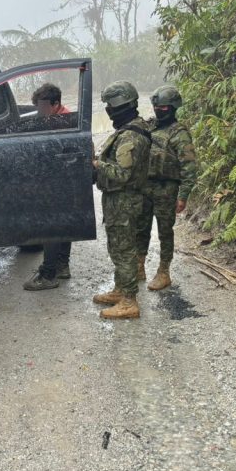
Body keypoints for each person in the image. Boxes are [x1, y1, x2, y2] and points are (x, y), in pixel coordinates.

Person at [92, 80, 151, 319]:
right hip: (119, 200)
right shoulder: (128, 130)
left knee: (124, 250)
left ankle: (129, 301)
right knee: (118, 248)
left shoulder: (130, 136)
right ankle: (121, 290)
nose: (108, 110)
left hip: (124, 200)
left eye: (110, 106)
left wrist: (96, 164)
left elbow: (123, 174)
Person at [137, 84, 198, 291]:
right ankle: (139, 266)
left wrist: (183, 196)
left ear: (172, 108)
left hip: (166, 188)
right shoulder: (150, 127)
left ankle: (164, 272)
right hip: (145, 186)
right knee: (141, 228)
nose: (158, 111)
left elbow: (189, 166)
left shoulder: (180, 134)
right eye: (156, 107)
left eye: (163, 108)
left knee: (164, 231)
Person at [19, 83, 77, 291]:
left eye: (43, 107)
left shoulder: (62, 122)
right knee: (62, 225)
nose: (40, 111)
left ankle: (48, 273)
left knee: (51, 226)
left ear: (55, 104)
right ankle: (62, 266)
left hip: (58, 183)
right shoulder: (63, 117)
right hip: (65, 182)